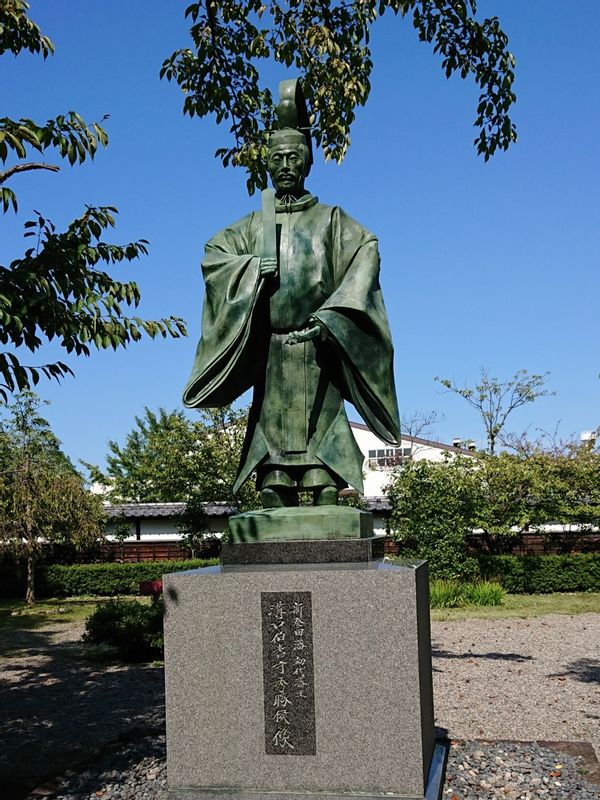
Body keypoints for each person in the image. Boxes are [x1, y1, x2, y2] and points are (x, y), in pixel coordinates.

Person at [183, 83, 400, 509]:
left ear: (306, 163)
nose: (284, 166)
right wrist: (249, 271)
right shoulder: (250, 227)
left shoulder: (332, 219)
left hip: (318, 344)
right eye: (276, 159)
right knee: (272, 418)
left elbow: (365, 252)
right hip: (273, 347)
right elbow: (213, 256)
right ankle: (274, 476)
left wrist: (333, 315)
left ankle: (324, 477)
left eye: (293, 158)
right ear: (267, 165)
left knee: (323, 415)